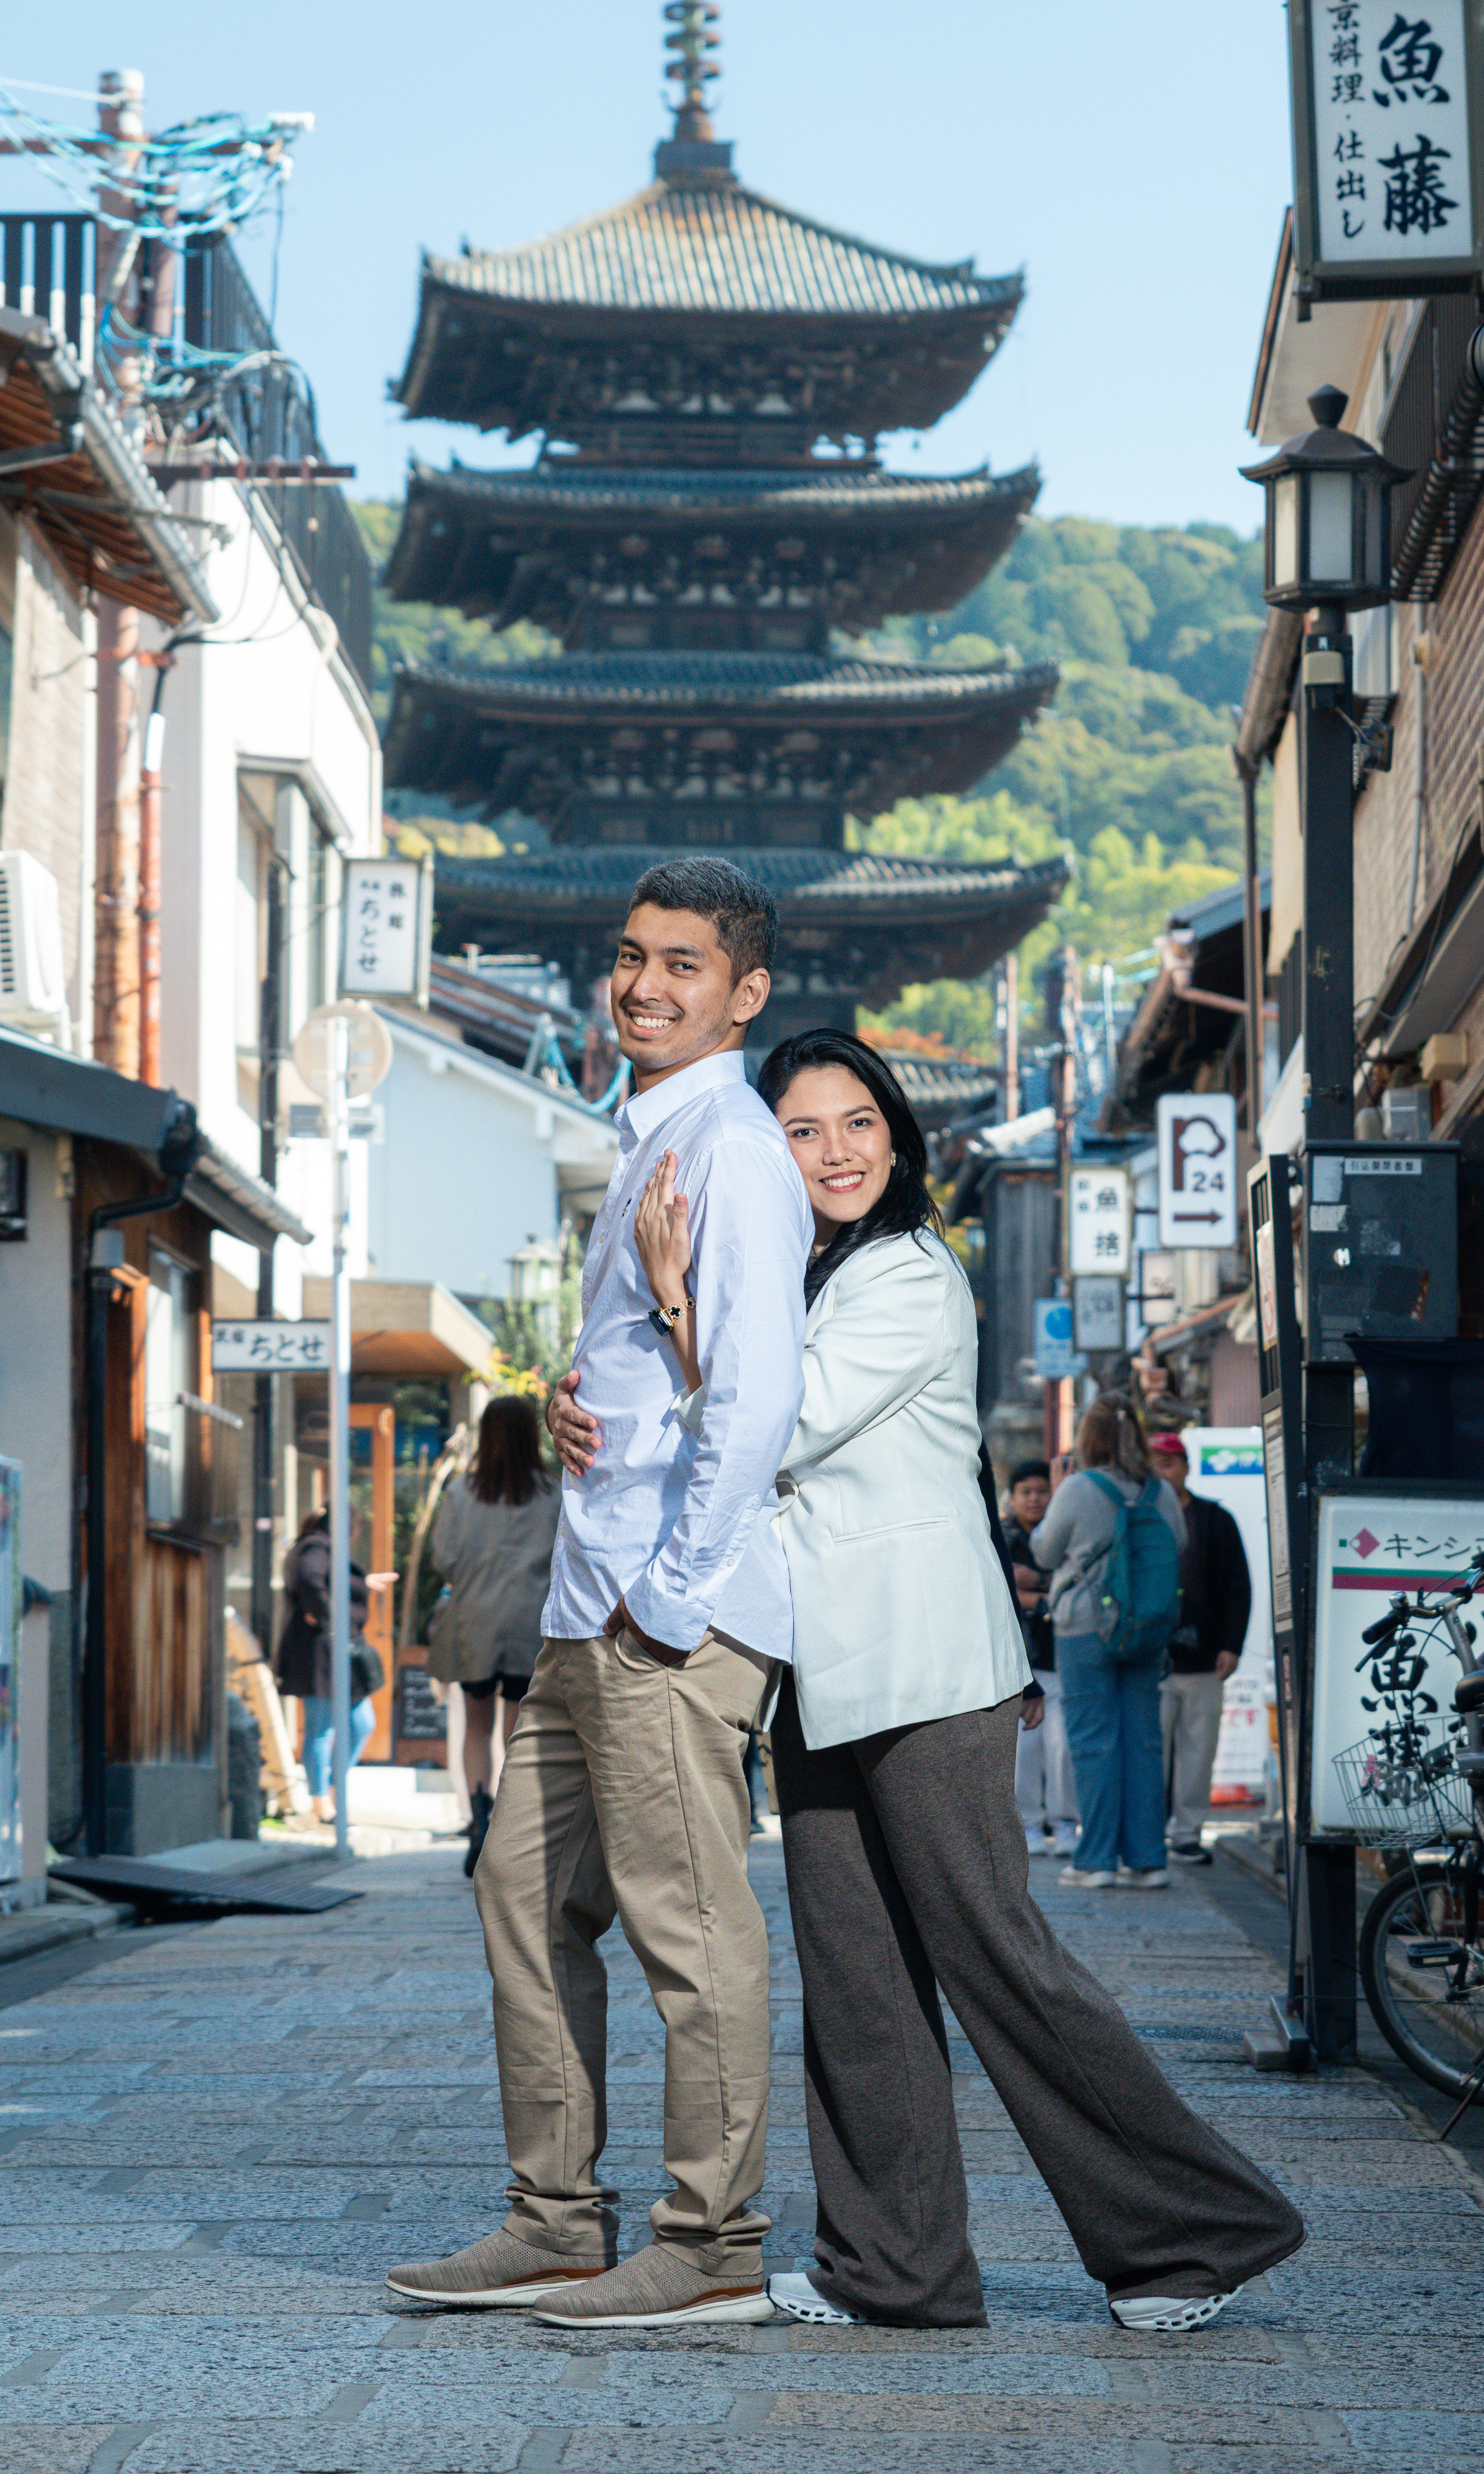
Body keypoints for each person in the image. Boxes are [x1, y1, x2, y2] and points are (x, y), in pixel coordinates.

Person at [583, 1026, 1304, 2334]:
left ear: (899, 1137)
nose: (836, 1151)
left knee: (998, 1961)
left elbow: (777, 1424)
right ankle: (891, 2267)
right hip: (818, 1670)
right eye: (801, 1130)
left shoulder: (909, 1273)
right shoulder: (806, 1277)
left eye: (859, 1122)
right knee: (856, 1983)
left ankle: (1192, 2233)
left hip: (919, 1666)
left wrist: (677, 1308)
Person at [388, 857, 811, 2331]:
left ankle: (715, 2243)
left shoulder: (736, 1148)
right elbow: (671, 1383)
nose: (643, 984)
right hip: (585, 1608)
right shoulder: (648, 1138)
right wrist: (587, 1409)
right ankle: (557, 2220)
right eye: (631, 956)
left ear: (745, 993)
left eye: (683, 964)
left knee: (688, 1933)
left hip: (660, 1619)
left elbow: (760, 1400)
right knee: (521, 1903)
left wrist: (671, 1599)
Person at [1030, 1400, 1185, 1890]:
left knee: (1093, 1742)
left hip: (1085, 1628)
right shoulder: (1159, 1490)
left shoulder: (1077, 1488)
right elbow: (1178, 1544)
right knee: (1144, 1741)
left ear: (1087, 1439)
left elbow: (1044, 1551)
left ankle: (1095, 1859)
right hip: (1146, 1626)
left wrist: (1061, 1495)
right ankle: (1148, 1859)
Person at [429, 1394, 563, 1878]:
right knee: (518, 1729)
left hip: (476, 1623)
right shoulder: (554, 1493)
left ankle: (480, 1816)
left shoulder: (461, 1495)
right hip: (533, 1624)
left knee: (477, 1725)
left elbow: (442, 1558)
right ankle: (514, 1826)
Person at [1148, 1429, 1252, 1866]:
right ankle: (1148, 1834)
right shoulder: (1139, 1516)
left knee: (1198, 1752)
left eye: (1169, 1464)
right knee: (1153, 1753)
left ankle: (1187, 1833)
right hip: (1151, 1659)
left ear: (1187, 1467)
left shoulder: (1215, 1519)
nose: (1163, 1474)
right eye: (1153, 1466)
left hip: (1207, 1657)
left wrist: (1232, 1644)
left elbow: (1237, 1587)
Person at [274, 1508, 389, 1825]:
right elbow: (312, 1581)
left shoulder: (318, 1547)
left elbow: (326, 1580)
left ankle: (335, 1791)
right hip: (319, 1651)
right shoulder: (315, 1546)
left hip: (333, 1649)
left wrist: (363, 1581)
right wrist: (326, 1615)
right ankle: (322, 1802)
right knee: (321, 1727)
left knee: (360, 1723)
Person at [1000, 1458, 1076, 1859]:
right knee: (1024, 1749)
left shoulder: (1062, 1531)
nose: (1034, 1499)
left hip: (1059, 1655)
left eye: (1042, 1491)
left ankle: (1065, 1822)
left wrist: (1037, 1591)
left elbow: (1076, 1579)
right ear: (1012, 1498)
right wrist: (1043, 1598)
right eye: (1026, 1492)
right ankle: (1028, 1822)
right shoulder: (999, 1534)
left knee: (1062, 1745)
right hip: (1017, 1660)